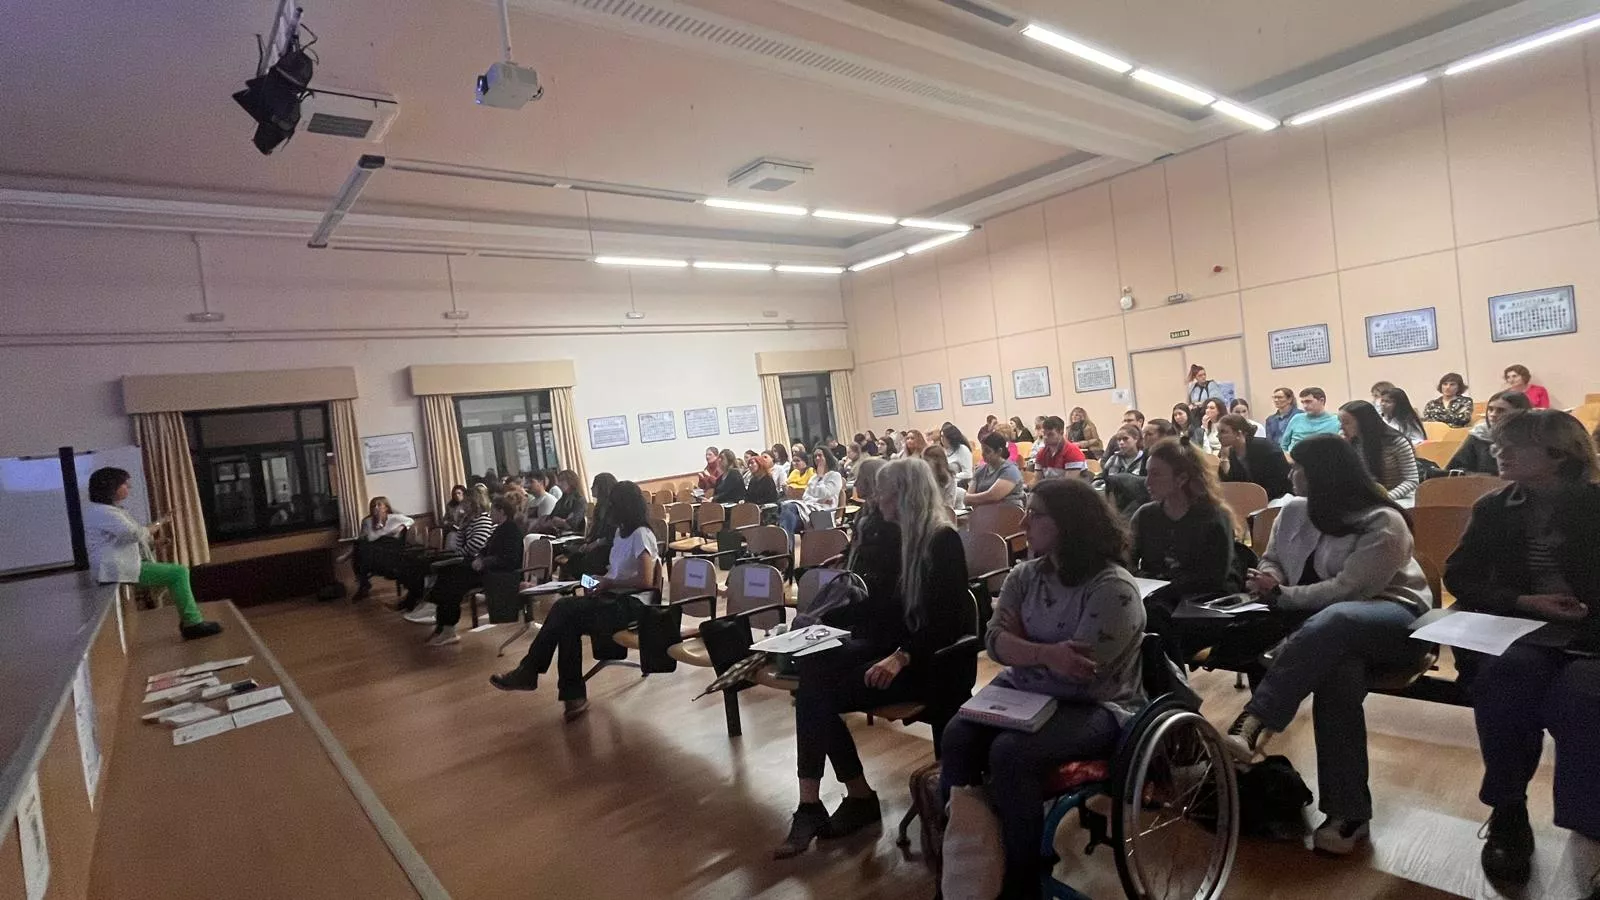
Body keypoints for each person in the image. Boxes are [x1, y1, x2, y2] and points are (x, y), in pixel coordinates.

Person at [1225, 435, 1433, 855]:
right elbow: (1272, 558)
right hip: (1324, 630)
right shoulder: (1294, 511)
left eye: (1298, 467)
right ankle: (1348, 813)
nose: (1290, 474)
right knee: (1339, 675)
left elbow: (1348, 591)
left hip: (1395, 617)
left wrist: (1282, 596)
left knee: (1336, 619)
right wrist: (1270, 579)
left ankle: (1255, 719)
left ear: (1324, 473)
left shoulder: (1382, 522)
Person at [939, 478, 1146, 897]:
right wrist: (1048, 654)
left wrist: (1024, 648)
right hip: (1025, 696)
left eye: (1036, 514)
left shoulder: (1113, 588)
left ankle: (1021, 878)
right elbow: (994, 642)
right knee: (957, 735)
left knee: (1010, 752)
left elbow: (1080, 672)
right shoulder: (1025, 575)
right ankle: (967, 864)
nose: (1024, 520)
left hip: (1098, 706)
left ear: (1069, 524)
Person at [772, 459, 971, 858]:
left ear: (905, 496)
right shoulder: (895, 538)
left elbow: (947, 623)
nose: (876, 498)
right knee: (812, 668)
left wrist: (902, 656)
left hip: (931, 663)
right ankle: (822, 801)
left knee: (815, 693)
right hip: (888, 648)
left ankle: (844, 799)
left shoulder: (942, 541)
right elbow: (878, 610)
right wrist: (818, 622)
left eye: (884, 492)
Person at [1443, 409, 1600, 886]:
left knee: (1581, 698)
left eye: (1513, 444)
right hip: (1522, 630)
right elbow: (1459, 577)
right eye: (1497, 443)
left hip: (1592, 636)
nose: (1498, 451)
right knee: (1503, 682)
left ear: (1557, 453)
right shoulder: (1494, 506)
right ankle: (1509, 810)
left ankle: (1589, 830)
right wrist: (1524, 601)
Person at [490, 482, 660, 721]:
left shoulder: (641, 534)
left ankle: (531, 672)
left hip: (633, 605)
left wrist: (608, 584)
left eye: (612, 504)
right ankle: (573, 698)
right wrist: (597, 582)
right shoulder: (621, 535)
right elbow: (615, 574)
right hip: (614, 598)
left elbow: (646, 580)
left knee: (562, 608)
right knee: (567, 625)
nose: (607, 509)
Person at [83, 467, 222, 640]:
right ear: (112, 487)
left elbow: (123, 541)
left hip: (119, 565)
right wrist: (159, 523)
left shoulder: (108, 511)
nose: (128, 488)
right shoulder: (103, 512)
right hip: (115, 568)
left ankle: (187, 619)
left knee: (173, 574)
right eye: (125, 484)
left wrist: (155, 543)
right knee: (178, 573)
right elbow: (135, 534)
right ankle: (192, 623)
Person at [1130, 437, 1237, 661]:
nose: (1147, 481)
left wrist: (1158, 588)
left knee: (1153, 622)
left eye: (1156, 474)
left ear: (1181, 479)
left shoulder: (1213, 518)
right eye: (1147, 473)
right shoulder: (1146, 515)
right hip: (1158, 599)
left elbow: (1212, 579)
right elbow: (1127, 561)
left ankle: (1171, 689)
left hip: (1201, 604)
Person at [426, 494, 525, 647]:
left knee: (454, 580)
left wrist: (483, 562)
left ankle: (448, 629)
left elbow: (509, 559)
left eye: (493, 510)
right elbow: (485, 549)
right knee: (448, 571)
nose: (490, 513)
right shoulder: (500, 529)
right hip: (489, 569)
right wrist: (479, 558)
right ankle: (443, 625)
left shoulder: (511, 530)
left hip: (501, 575)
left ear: (502, 512)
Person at [406, 485, 496, 630]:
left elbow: (477, 544)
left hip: (473, 560)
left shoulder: (483, 519)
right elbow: (460, 541)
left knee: (446, 571)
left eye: (466, 502)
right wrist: (460, 537)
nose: (463, 505)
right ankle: (424, 603)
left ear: (474, 503)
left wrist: (458, 553)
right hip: (465, 556)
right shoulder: (468, 520)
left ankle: (433, 609)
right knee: (424, 562)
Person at [1338, 400, 1421, 499]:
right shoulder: (1353, 442)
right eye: (1340, 422)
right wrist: (1343, 448)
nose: (1341, 427)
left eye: (1346, 422)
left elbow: (1412, 480)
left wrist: (1385, 498)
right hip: (1368, 496)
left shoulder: (1395, 441)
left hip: (1396, 496)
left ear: (1364, 422)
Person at [1446, 390, 1531, 475]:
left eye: (1501, 411)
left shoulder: (1532, 437)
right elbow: (1455, 468)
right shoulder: (1480, 434)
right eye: (1490, 409)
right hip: (1483, 485)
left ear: (1518, 413)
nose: (1493, 414)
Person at [350, 496, 415, 601]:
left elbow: (410, 521)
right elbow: (369, 538)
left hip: (389, 550)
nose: (376, 507)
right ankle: (364, 583)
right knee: (360, 546)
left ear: (386, 508)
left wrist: (401, 526)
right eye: (373, 506)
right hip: (373, 550)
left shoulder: (394, 517)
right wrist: (378, 524)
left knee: (361, 552)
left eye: (379, 505)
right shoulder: (367, 521)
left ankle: (364, 585)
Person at [1218, 414, 1293, 498]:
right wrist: (1224, 459)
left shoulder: (1265, 448)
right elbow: (1230, 485)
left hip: (1279, 496)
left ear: (1238, 434)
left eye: (1223, 432)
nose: (1218, 436)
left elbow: (1280, 482)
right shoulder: (1230, 453)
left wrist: (1255, 498)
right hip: (1251, 500)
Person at [561, 473, 619, 578]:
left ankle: (590, 587)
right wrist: (587, 542)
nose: (591, 488)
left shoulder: (613, 508)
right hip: (596, 544)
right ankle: (573, 587)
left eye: (594, 485)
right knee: (574, 556)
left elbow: (613, 535)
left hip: (608, 546)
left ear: (602, 487)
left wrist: (596, 543)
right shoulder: (598, 507)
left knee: (586, 561)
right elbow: (594, 531)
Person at [779, 448, 845, 539]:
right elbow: (806, 497)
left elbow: (825, 493)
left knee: (788, 516)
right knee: (787, 512)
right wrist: (818, 500)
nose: (817, 458)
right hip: (809, 510)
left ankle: (787, 547)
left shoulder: (835, 476)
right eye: (815, 456)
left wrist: (821, 477)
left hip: (824, 513)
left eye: (820, 455)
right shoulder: (814, 478)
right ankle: (787, 546)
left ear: (827, 457)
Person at [967, 432, 1025, 509]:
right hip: (984, 513)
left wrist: (966, 497)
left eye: (987, 451)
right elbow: (969, 497)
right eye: (983, 450)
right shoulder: (980, 470)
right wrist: (967, 498)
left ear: (999, 451)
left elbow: (993, 496)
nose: (983, 454)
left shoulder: (1010, 470)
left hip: (1008, 513)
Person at [1279, 387, 1343, 451]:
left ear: (1321, 401)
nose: (1305, 406)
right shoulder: (1297, 419)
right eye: (1302, 402)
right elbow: (1284, 445)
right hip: (1294, 458)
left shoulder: (1336, 421)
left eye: (1308, 402)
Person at [922, 445, 967, 511]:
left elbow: (948, 505)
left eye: (927, 460)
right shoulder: (923, 477)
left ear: (937, 461)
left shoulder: (950, 479)